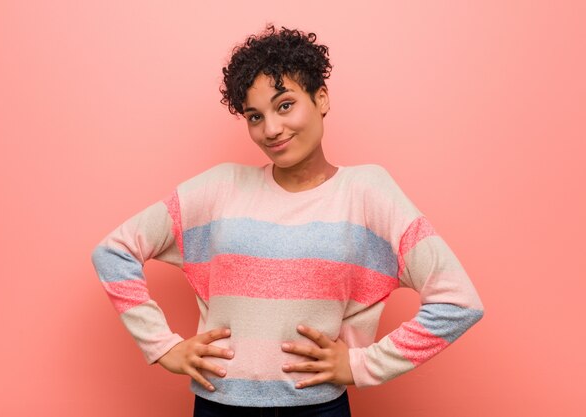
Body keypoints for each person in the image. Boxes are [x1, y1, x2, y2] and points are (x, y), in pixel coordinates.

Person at [91, 25, 485, 417]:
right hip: (218, 406)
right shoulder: (219, 187)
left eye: (284, 105)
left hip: (317, 408)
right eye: (254, 116)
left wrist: (363, 365)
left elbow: (457, 302)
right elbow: (114, 251)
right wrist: (163, 347)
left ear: (322, 98)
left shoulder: (367, 191)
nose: (271, 130)